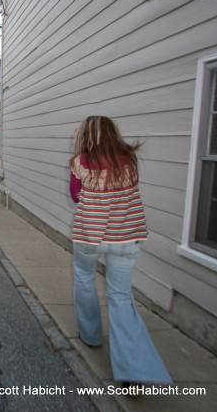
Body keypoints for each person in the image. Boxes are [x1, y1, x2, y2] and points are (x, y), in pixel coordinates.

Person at [69, 115, 172, 387]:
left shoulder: (81, 163)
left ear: (86, 138)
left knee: (84, 277)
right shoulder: (129, 160)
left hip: (90, 236)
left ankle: (90, 336)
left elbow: (76, 196)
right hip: (127, 237)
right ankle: (132, 370)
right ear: (113, 134)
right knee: (120, 295)